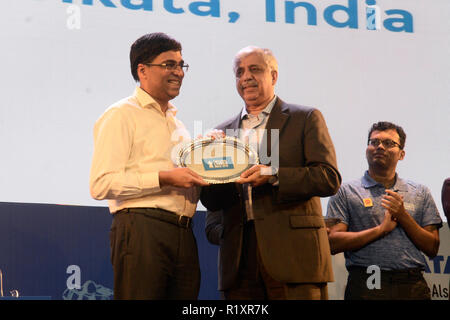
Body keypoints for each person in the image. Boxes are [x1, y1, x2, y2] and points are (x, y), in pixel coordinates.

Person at [202, 46, 341, 300]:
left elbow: (328, 177)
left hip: (294, 257)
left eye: (254, 69)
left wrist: (274, 174)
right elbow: (211, 202)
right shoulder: (221, 133)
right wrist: (207, 163)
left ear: (274, 76)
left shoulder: (305, 117)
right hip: (240, 261)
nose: (245, 77)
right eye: (239, 72)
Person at [89, 32, 208, 299]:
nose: (179, 72)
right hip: (142, 228)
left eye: (181, 65)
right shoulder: (121, 114)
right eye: (169, 64)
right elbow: (101, 184)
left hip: (184, 232)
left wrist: (210, 154)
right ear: (142, 70)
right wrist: (164, 178)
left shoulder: (177, 124)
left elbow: (186, 177)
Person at [326, 121, 442, 300]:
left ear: (401, 154)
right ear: (366, 149)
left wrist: (402, 215)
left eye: (388, 143)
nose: (379, 146)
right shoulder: (347, 191)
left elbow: (432, 247)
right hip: (366, 282)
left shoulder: (420, 192)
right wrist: (380, 230)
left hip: (411, 284)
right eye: (374, 142)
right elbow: (333, 242)